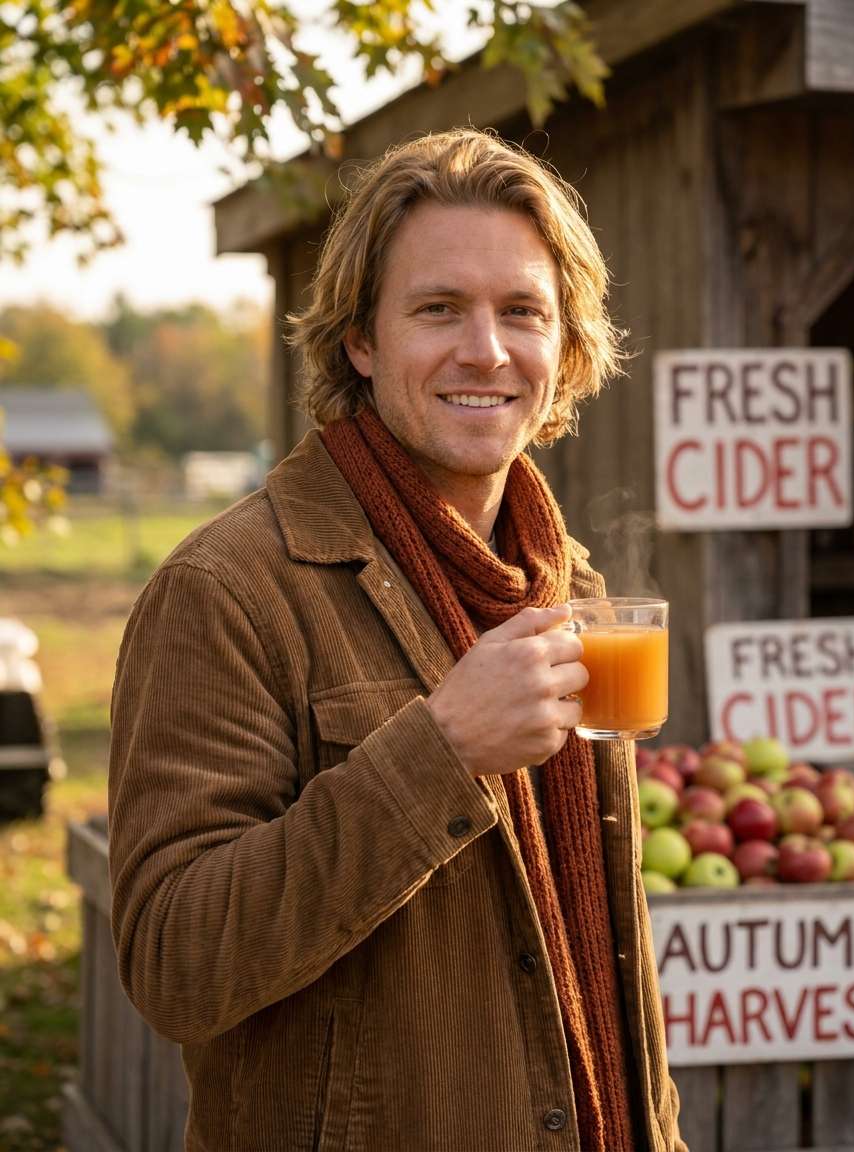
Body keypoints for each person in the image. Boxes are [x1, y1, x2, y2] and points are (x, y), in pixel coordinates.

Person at [108, 128, 687, 1152]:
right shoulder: (228, 589)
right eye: (437, 310)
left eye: (522, 312)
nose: (486, 350)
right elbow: (175, 964)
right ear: (361, 343)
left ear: (566, 349)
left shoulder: (566, 588)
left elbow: (604, 958)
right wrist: (439, 755)